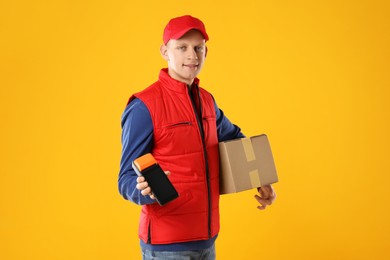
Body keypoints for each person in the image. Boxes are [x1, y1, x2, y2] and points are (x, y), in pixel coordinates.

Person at [118, 15, 276, 260]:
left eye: (198, 48)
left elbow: (235, 140)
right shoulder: (144, 106)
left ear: (206, 52)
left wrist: (261, 178)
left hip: (207, 239)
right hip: (167, 246)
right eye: (182, 47)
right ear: (165, 51)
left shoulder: (207, 101)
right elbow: (125, 177)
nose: (192, 55)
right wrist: (144, 191)